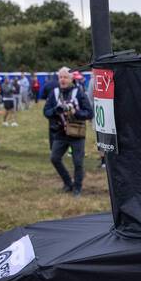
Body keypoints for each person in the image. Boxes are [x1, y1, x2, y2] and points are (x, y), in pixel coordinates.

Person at [44, 66, 94, 196]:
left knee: (78, 162)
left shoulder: (79, 93)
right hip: (60, 132)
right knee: (55, 158)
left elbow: (89, 113)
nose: (62, 80)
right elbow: (46, 112)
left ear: (71, 78)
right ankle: (68, 183)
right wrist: (56, 110)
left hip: (76, 132)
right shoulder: (54, 93)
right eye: (60, 77)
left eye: (65, 77)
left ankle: (77, 188)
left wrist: (75, 112)